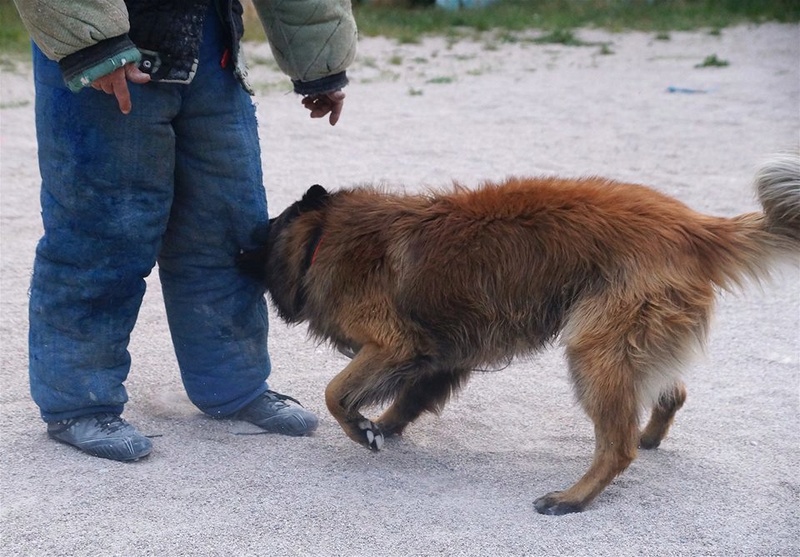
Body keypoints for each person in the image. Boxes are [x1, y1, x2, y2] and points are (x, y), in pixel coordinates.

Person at [13, 0, 358, 462]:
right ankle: (79, 402)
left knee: (228, 227)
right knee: (102, 234)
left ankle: (233, 386)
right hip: (108, 47)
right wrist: (90, 41)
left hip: (209, 41)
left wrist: (320, 61)